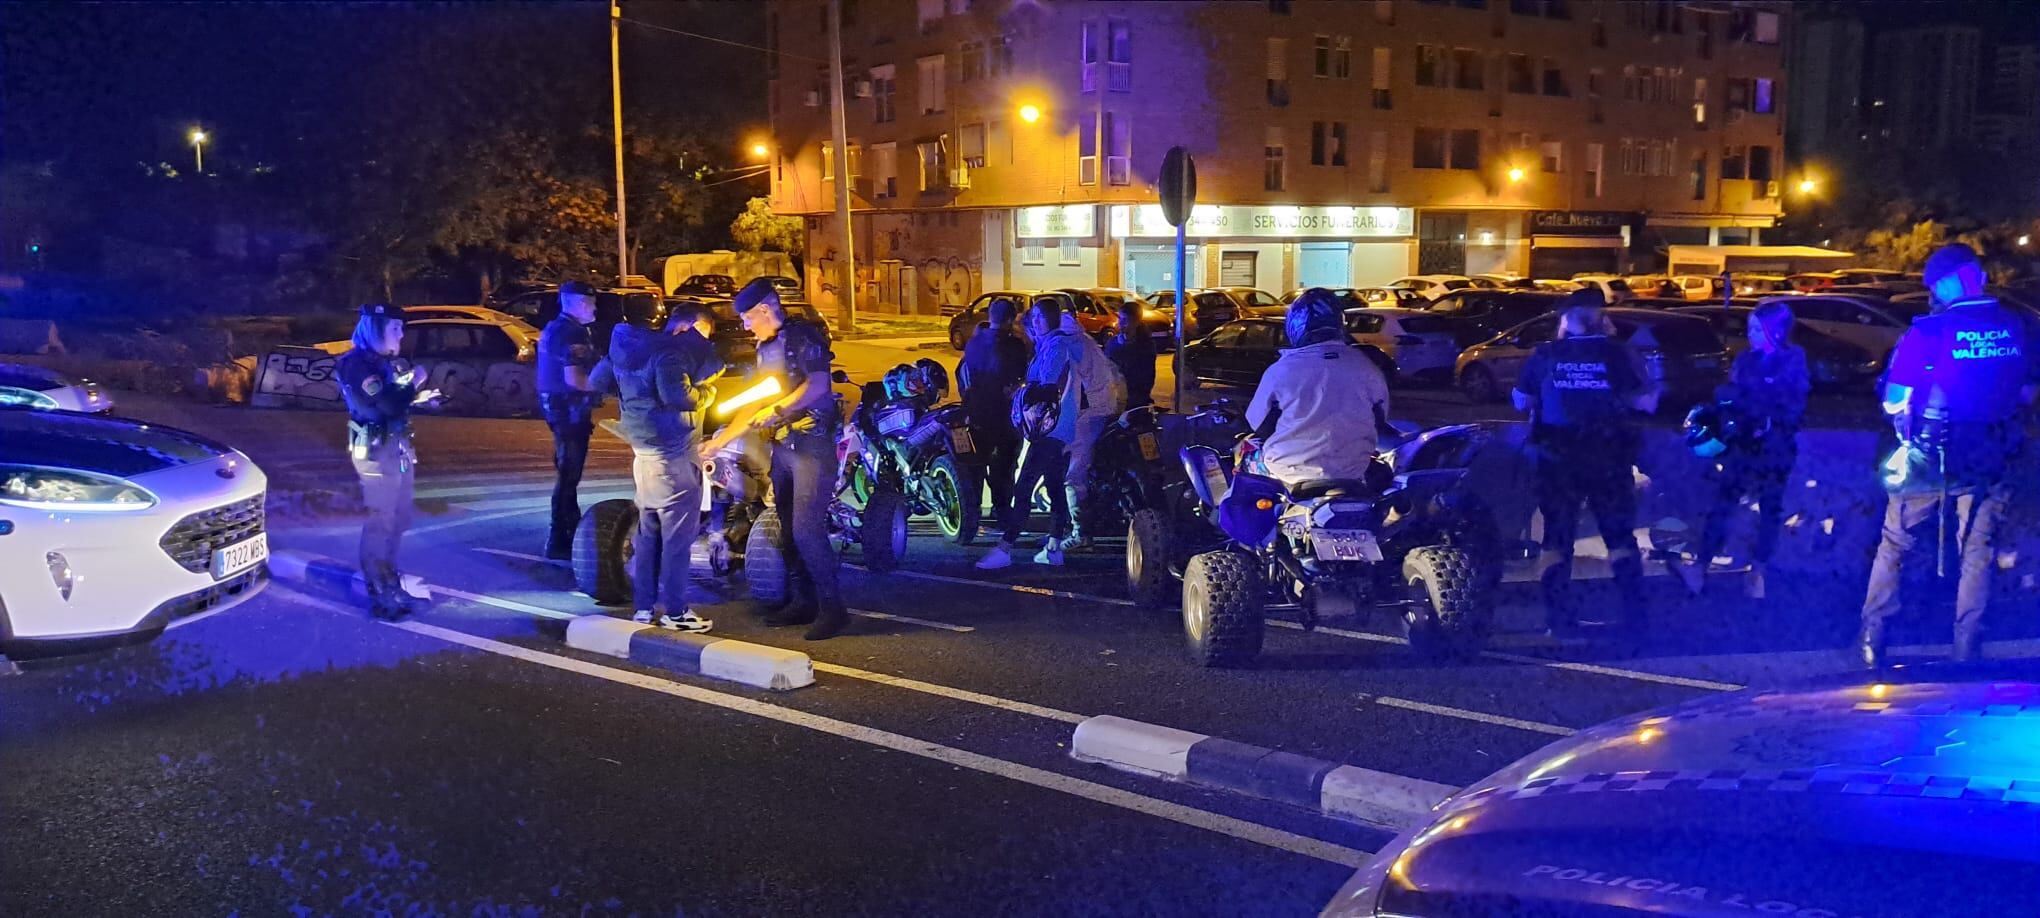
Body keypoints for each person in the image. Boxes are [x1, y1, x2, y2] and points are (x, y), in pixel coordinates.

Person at [1858, 243, 2038, 667]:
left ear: (1949, 280)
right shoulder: (2013, 326)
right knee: (1978, 551)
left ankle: (1873, 636)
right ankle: (1967, 646)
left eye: (1934, 284)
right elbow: (2027, 391)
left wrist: (1902, 416)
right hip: (1992, 456)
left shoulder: (1930, 330)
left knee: (1895, 542)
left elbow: (1895, 398)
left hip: (1930, 457)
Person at [703, 279, 848, 640]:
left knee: (806, 528)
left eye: (749, 317)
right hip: (784, 448)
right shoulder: (767, 347)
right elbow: (756, 401)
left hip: (812, 444)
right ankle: (804, 601)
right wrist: (722, 438)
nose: (746, 326)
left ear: (766, 309)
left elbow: (818, 386)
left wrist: (780, 408)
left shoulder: (803, 337)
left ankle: (834, 609)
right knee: (787, 525)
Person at [1512, 290, 1658, 637]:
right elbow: (1646, 401)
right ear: (1601, 320)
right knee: (1620, 538)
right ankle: (1635, 618)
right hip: (1608, 459)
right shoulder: (1617, 354)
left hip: (1557, 460)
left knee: (1556, 540)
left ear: (1565, 321)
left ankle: (1558, 620)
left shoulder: (1545, 354)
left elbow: (1521, 401)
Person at [590, 299, 720, 632]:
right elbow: (677, 395)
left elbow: (599, 381)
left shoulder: (624, 347)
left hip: (643, 454)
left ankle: (644, 608)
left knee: (649, 534)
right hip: (674, 456)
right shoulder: (668, 353)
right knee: (678, 540)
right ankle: (676, 612)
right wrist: (707, 393)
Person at [1674, 301, 1809, 599]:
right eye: (1749, 329)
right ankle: (1701, 566)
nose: (1751, 335)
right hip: (1742, 444)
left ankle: (1757, 571)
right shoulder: (1746, 360)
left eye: (1757, 329)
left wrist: (1764, 415)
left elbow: (1794, 404)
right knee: (1724, 504)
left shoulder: (1793, 359)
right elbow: (1729, 397)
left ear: (1776, 330)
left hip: (1774, 446)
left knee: (1769, 508)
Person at [336, 304, 441, 620]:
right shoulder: (355, 365)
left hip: (398, 447)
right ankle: (380, 593)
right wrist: (415, 382)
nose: (401, 334)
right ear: (375, 328)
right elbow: (388, 401)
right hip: (375, 450)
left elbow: (397, 403)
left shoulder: (387, 363)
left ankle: (391, 583)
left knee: (399, 518)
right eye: (395, 327)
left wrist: (420, 398)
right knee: (381, 521)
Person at [976, 296, 1092, 568]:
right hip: (1060, 427)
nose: (1034, 321)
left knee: (1024, 485)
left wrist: (1019, 391)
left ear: (1050, 318)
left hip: (1051, 428)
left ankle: (1005, 548)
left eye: (1039, 317)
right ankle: (1053, 548)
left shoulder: (1056, 346)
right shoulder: (1055, 345)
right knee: (1054, 487)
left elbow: (1046, 386)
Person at [1244, 287, 1391, 485]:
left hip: (1287, 471)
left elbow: (1258, 424)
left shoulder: (1282, 370)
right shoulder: (1366, 367)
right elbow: (1379, 419)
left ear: (1295, 325)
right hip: (1353, 472)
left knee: (1242, 459)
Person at [536, 280, 604, 559]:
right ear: (577, 303)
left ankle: (569, 530)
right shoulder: (570, 333)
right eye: (590, 302)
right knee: (568, 475)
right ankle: (559, 538)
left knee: (568, 473)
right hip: (569, 411)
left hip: (560, 410)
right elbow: (575, 378)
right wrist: (607, 385)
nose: (594, 307)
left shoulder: (557, 328)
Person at [955, 295, 1029, 545]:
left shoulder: (973, 343)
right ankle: (1001, 511)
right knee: (1004, 466)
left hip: (974, 412)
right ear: (1010, 319)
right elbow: (1021, 377)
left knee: (974, 465)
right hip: (1003, 415)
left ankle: (972, 515)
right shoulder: (1014, 346)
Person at [1054, 302, 1127, 548]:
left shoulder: (1065, 347)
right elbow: (1113, 372)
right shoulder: (1085, 339)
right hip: (1108, 407)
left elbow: (1064, 388)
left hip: (1089, 414)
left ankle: (1080, 532)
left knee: (1072, 474)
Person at [1104, 299, 1157, 409]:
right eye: (1120, 319)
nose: (1121, 324)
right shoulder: (1112, 343)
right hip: (1114, 397)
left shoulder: (1145, 346)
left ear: (1136, 322)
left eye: (1125, 320)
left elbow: (1145, 377)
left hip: (1135, 400)